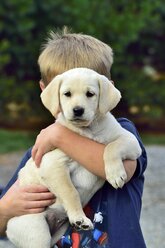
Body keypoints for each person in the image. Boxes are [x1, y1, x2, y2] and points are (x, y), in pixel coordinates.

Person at [0, 28, 147, 248]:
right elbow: (8, 221)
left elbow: (123, 171)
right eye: (68, 94)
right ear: (48, 92)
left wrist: (60, 135)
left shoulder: (121, 130)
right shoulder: (40, 149)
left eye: (89, 93)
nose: (78, 106)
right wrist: (4, 210)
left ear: (106, 91)